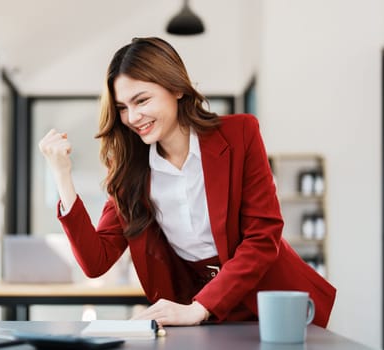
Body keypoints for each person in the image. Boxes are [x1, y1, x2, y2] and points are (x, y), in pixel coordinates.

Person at [38, 37, 336, 327]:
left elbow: (263, 235)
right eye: (123, 107)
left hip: (270, 302)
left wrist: (201, 307)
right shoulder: (131, 171)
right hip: (196, 313)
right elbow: (96, 261)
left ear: (176, 88)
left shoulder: (240, 134)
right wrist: (62, 176)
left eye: (141, 100)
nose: (133, 116)